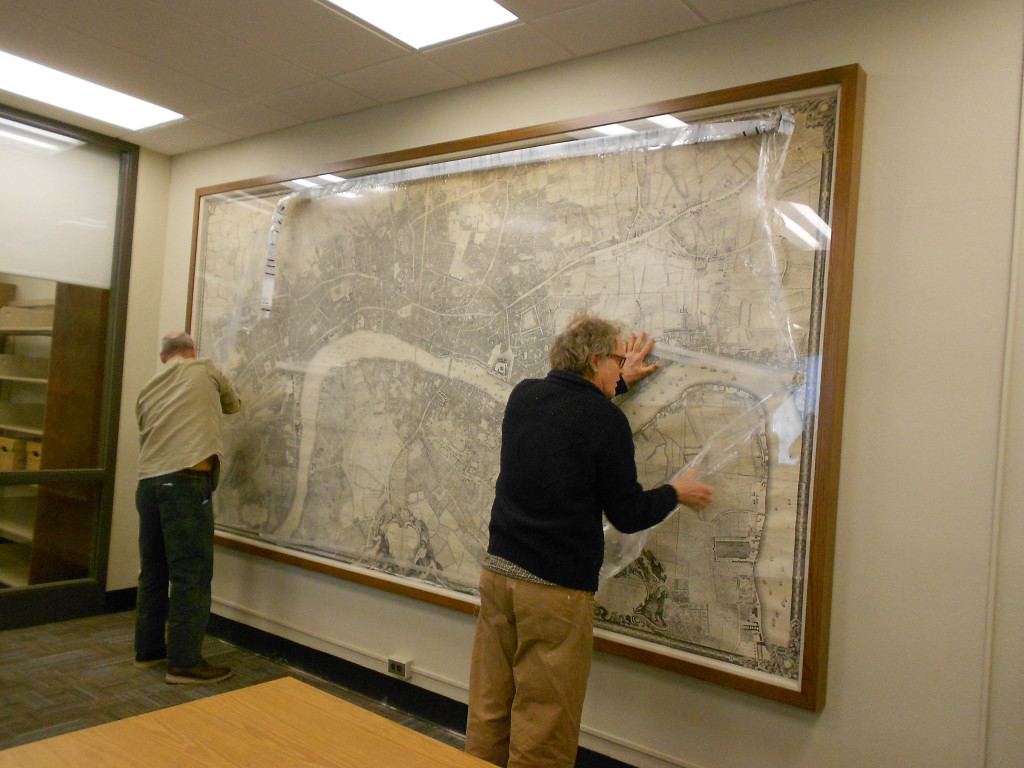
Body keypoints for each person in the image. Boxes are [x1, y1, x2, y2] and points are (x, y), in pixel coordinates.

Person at [465, 314, 714, 768]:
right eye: (620, 358)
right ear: (596, 359)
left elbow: (567, 417)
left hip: (498, 576)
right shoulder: (604, 422)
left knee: (489, 707)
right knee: (544, 723)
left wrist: (617, 386)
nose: (624, 366)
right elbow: (628, 513)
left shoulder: (524, 396)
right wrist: (676, 492)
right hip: (553, 593)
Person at [133, 332, 242, 684]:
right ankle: (184, 662)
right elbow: (233, 405)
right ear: (192, 352)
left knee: (153, 572)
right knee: (190, 574)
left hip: (149, 485)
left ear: (163, 357)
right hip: (184, 484)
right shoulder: (205, 368)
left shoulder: (148, 387)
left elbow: (145, 428)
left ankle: (148, 650)